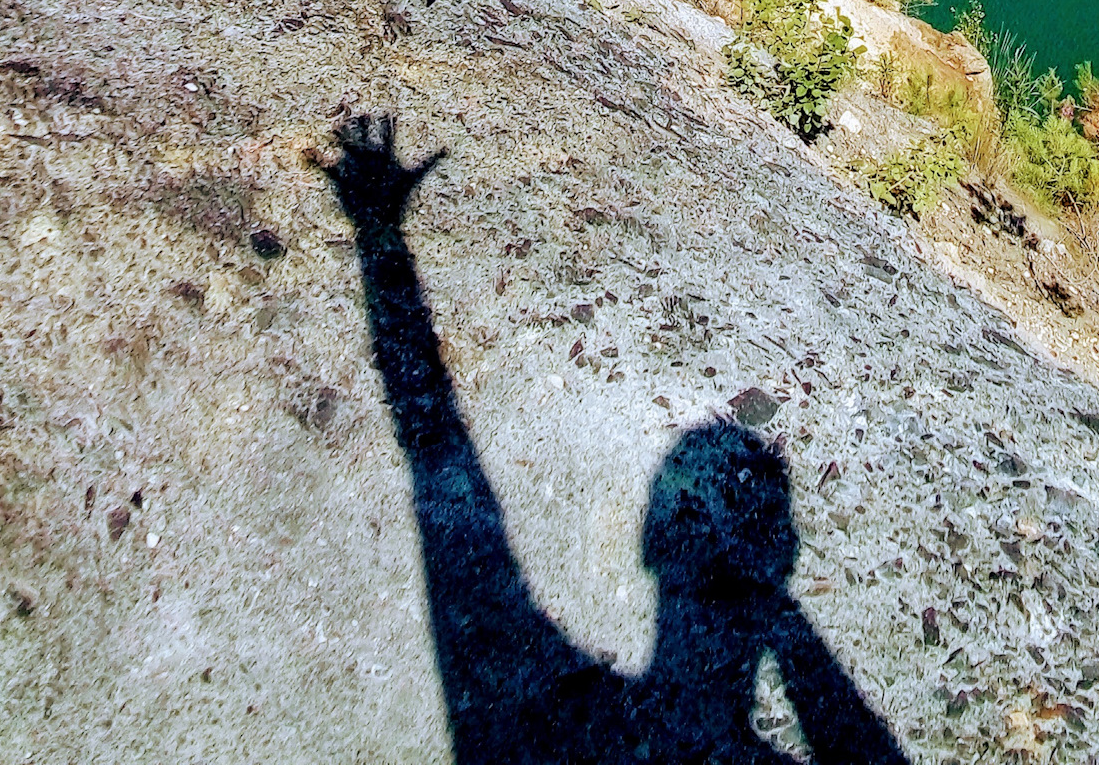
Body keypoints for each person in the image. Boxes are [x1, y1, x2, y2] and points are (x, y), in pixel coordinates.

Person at [322, 113, 909, 765]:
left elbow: (437, 453)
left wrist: (379, 233)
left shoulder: (534, 726)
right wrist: (772, 602)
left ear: (653, 544)